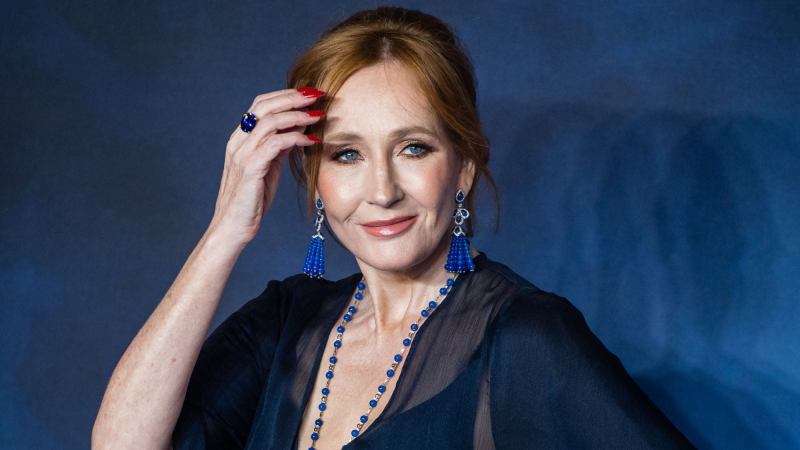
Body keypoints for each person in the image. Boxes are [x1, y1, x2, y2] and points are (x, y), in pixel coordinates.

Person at [92, 6, 695, 450]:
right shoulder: (284, 324)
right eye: (346, 154)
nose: (382, 191)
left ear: (464, 165)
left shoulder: (524, 337)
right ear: (315, 178)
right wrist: (226, 230)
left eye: (413, 148)